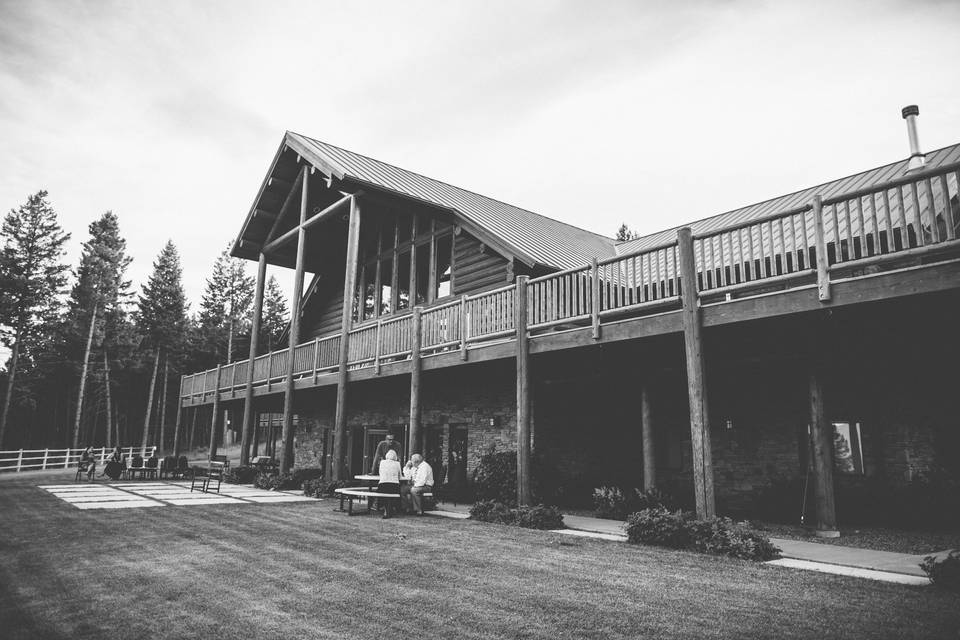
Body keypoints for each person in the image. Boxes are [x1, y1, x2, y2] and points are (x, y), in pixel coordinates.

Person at [376, 450, 402, 519]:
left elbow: (380, 473)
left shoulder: (382, 462)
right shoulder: (397, 463)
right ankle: (389, 509)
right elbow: (400, 476)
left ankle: (386, 510)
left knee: (385, 492)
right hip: (394, 486)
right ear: (395, 457)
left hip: (383, 485)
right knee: (392, 493)